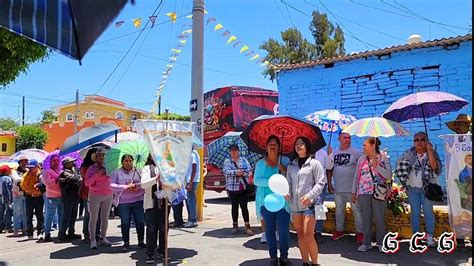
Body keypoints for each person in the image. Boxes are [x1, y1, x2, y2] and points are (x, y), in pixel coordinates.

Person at [395, 132, 442, 247]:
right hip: (412, 188)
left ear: (426, 141)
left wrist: (430, 151)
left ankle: (429, 236)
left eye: (422, 139)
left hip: (426, 188)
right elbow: (400, 166)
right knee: (415, 213)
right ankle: (416, 236)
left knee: (428, 212)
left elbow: (435, 167)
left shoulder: (432, 152)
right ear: (413, 142)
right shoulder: (409, 154)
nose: (419, 142)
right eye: (416, 140)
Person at [286, 137, 326, 266]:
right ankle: (305, 262)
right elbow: (288, 183)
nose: (298, 146)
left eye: (301, 143)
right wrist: (287, 192)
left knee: (309, 234)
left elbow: (321, 183)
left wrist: (310, 196)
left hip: (311, 205)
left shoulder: (315, 164)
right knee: (300, 234)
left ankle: (314, 263)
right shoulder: (291, 165)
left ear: (307, 146)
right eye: (296, 144)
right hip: (295, 205)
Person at [254, 136, 290, 266]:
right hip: (266, 203)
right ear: (266, 147)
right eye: (270, 144)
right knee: (269, 231)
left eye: (275, 144)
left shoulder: (285, 161)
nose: (272, 146)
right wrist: (273, 183)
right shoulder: (260, 163)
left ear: (279, 147)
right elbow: (256, 180)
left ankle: (284, 257)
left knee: (284, 231)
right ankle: (273, 258)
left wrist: (285, 170)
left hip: (283, 203)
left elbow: (290, 179)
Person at [352, 138, 392, 252]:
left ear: (373, 146)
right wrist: (354, 191)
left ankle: (381, 243)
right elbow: (356, 176)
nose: (363, 148)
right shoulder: (361, 159)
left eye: (365, 145)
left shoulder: (383, 158)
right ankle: (366, 242)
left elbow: (388, 175)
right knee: (366, 218)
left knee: (379, 218)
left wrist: (377, 166)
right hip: (364, 192)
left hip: (378, 192)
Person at [326, 132, 364, 243]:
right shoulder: (334, 153)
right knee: (339, 210)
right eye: (345, 137)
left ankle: (360, 232)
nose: (347, 139)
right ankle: (339, 230)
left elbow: (363, 167)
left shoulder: (356, 152)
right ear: (339, 139)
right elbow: (329, 169)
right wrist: (329, 184)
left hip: (353, 189)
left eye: (349, 138)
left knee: (357, 210)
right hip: (338, 188)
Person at [110, 154, 146, 251]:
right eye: (126, 161)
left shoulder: (139, 171)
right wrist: (125, 187)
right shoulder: (117, 172)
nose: (128, 163)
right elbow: (112, 185)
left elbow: (145, 183)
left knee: (140, 221)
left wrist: (135, 186)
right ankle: (126, 242)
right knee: (125, 222)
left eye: (130, 161)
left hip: (138, 200)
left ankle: (141, 241)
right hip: (123, 202)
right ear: (122, 162)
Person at [141, 155, 169, 264]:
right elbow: (143, 184)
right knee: (151, 229)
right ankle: (150, 253)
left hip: (164, 202)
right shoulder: (146, 169)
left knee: (163, 228)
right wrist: (156, 179)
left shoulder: (167, 167)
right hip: (151, 203)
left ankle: (162, 251)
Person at [85, 148, 113, 249]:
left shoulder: (110, 167)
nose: (101, 157)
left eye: (103, 155)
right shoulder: (91, 168)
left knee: (105, 218)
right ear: (96, 157)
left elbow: (114, 179)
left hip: (108, 194)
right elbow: (87, 183)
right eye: (99, 155)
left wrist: (107, 171)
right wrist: (98, 173)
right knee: (93, 218)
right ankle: (93, 240)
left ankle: (103, 237)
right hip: (94, 195)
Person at [223, 143, 253, 235]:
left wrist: (243, 173)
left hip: (243, 187)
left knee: (244, 207)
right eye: (232, 150)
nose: (234, 152)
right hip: (232, 188)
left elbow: (249, 170)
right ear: (229, 152)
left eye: (235, 150)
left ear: (238, 151)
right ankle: (235, 225)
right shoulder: (227, 161)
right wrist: (236, 172)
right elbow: (226, 172)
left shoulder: (244, 160)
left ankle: (247, 226)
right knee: (234, 207)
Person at [79, 148, 101, 243]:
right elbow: (88, 178)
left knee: (98, 214)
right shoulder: (85, 167)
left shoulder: (100, 165)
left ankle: (97, 233)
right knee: (89, 214)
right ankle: (87, 234)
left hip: (99, 192)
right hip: (87, 193)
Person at [58, 156, 82, 242]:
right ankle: (62, 234)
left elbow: (79, 178)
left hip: (75, 196)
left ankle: (71, 232)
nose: (73, 163)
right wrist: (77, 173)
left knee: (73, 216)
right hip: (68, 197)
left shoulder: (74, 170)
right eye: (71, 162)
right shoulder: (64, 172)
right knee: (67, 216)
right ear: (66, 164)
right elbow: (74, 179)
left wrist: (78, 175)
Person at [21, 159, 45, 240]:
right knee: (29, 216)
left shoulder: (40, 175)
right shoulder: (26, 175)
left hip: (39, 197)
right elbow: (23, 186)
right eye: (29, 167)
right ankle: (29, 234)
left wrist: (38, 187)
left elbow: (44, 186)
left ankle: (40, 232)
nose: (30, 169)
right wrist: (32, 190)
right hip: (29, 197)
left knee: (39, 216)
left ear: (36, 167)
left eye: (32, 167)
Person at [42, 155, 64, 242]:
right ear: (50, 162)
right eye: (54, 160)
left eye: (57, 160)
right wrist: (57, 179)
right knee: (49, 216)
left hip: (61, 196)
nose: (56, 162)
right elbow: (47, 182)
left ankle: (61, 232)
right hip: (51, 196)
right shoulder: (46, 171)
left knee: (61, 216)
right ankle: (47, 233)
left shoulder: (61, 170)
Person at [313, 147, 332, 244]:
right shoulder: (306, 152)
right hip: (308, 183)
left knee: (319, 206)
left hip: (321, 184)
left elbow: (329, 167)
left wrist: (329, 155)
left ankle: (318, 231)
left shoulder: (323, 153)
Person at [184, 146, 200, 228]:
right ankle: (191, 218)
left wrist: (190, 182)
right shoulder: (191, 153)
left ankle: (193, 220)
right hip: (190, 180)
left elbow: (194, 167)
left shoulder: (193, 154)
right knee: (189, 200)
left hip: (192, 180)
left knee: (191, 200)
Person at [12, 157, 27, 236]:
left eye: (25, 162)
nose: (24, 164)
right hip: (17, 194)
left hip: (26, 194)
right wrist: (26, 179)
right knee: (16, 212)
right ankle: (16, 229)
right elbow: (16, 179)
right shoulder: (14, 171)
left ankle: (25, 229)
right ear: (19, 163)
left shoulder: (28, 171)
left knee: (25, 213)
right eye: (22, 162)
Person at [0, 165, 13, 234]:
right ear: (6, 171)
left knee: (1, 212)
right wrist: (10, 200)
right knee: (8, 212)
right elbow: (9, 190)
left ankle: (1, 227)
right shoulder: (7, 179)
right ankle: (8, 227)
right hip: (6, 197)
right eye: (9, 170)